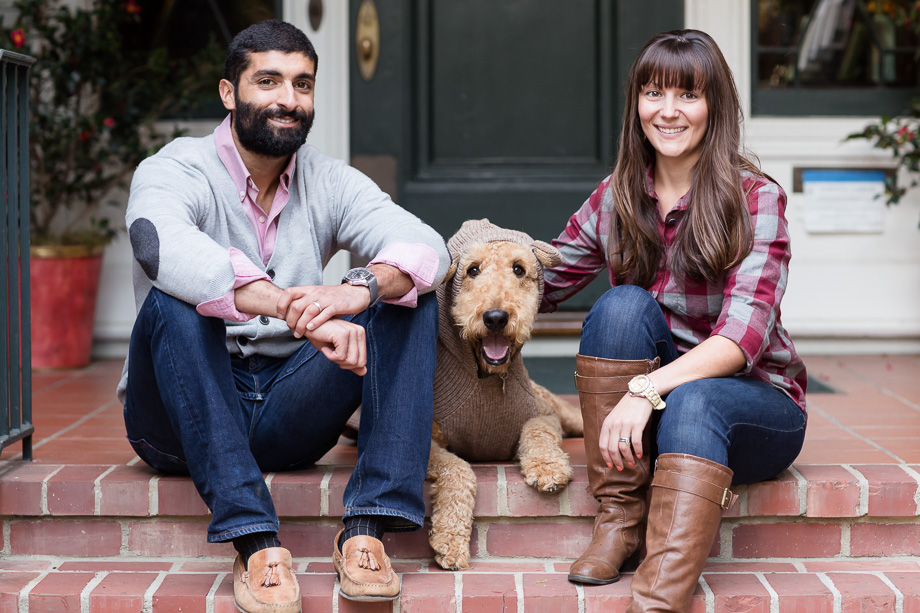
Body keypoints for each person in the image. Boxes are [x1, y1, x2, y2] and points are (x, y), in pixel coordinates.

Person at [117, 20, 449, 613]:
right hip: (175, 419)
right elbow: (160, 247)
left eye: (302, 84)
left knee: (409, 292)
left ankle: (369, 528)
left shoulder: (328, 179)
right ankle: (254, 540)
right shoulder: (175, 168)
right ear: (229, 92)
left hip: (287, 410)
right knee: (176, 297)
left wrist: (358, 289)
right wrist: (298, 310)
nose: (287, 100)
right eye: (268, 81)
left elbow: (427, 247)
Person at [543, 30, 808, 611]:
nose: (667, 111)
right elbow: (540, 282)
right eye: (653, 92)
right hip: (656, 412)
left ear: (715, 107)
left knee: (697, 401)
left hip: (754, 405)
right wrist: (432, 282)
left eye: (687, 95)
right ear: (636, 102)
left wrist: (645, 390)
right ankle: (619, 522)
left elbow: (743, 338)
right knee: (618, 308)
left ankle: (658, 598)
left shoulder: (755, 198)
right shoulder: (616, 196)